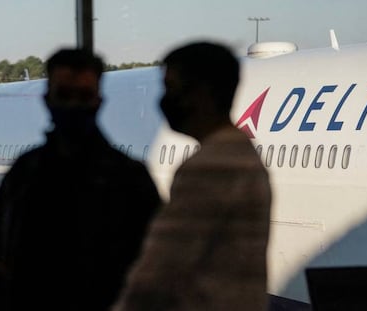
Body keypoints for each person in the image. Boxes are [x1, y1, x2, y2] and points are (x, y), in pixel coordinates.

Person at [0, 48, 160, 311]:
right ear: (47, 99)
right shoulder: (24, 174)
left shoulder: (130, 179)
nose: (73, 105)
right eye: (65, 95)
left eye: (84, 96)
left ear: (99, 100)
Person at [111, 41, 272, 311]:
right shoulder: (244, 153)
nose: (164, 100)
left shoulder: (211, 168)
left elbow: (160, 270)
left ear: (201, 93)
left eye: (172, 88)